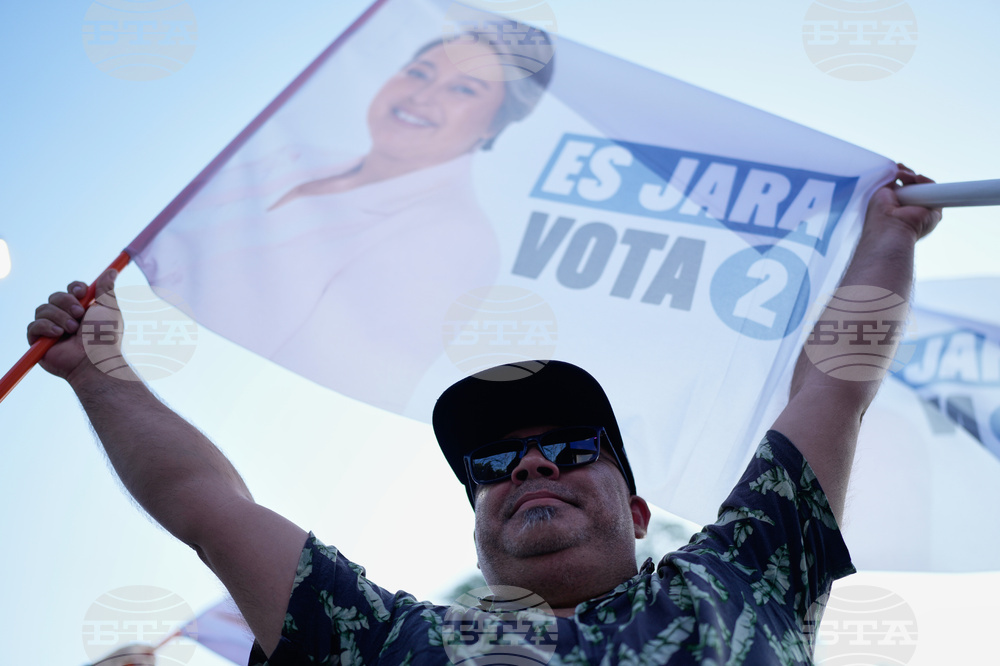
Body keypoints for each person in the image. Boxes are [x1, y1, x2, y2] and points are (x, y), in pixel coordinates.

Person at [28, 165, 939, 663]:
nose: (532, 467)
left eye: (570, 447)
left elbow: (832, 386)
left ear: (636, 512)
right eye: (495, 466)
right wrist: (98, 375)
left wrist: (888, 236)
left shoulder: (745, 571)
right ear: (477, 528)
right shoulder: (385, 639)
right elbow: (210, 510)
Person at [132, 24, 554, 413]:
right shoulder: (288, 160)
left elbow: (313, 394)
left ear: (494, 125)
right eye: (419, 72)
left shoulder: (452, 240)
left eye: (462, 89)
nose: (421, 97)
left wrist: (117, 374)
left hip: (182, 409)